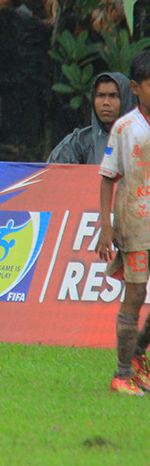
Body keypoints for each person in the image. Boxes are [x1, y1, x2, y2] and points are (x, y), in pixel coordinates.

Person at [97, 52, 150, 395]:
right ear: (136, 87)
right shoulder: (125, 128)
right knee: (136, 293)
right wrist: (106, 225)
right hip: (135, 223)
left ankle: (139, 354)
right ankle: (122, 374)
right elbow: (108, 177)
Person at [48, 72, 135, 164]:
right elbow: (54, 170)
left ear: (127, 100)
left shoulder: (142, 139)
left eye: (113, 96)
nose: (106, 102)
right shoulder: (78, 142)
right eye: (101, 95)